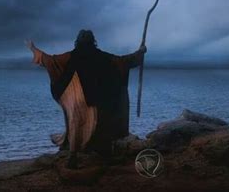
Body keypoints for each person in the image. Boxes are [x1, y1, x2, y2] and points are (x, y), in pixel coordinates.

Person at [26, 29, 146, 169]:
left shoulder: (70, 56)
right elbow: (123, 61)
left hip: (78, 100)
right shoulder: (102, 56)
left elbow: (50, 61)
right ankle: (104, 154)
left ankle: (73, 157)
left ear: (78, 41)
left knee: (75, 126)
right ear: (92, 41)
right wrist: (140, 52)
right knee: (102, 125)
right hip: (97, 100)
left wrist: (33, 48)